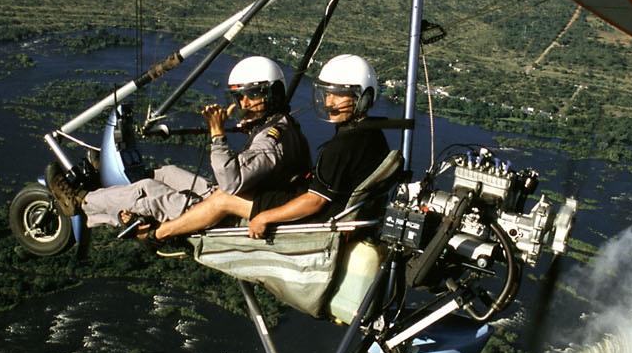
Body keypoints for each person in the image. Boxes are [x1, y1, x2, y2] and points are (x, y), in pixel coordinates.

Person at [45, 56, 309, 232]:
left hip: (229, 217)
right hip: (244, 200)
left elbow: (231, 184)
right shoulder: (279, 126)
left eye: (253, 96)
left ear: (272, 94)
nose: (245, 104)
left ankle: (81, 201)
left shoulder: (272, 138)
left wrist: (217, 135)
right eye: (240, 98)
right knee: (165, 173)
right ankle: (113, 192)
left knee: (148, 191)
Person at [150, 53, 389, 242]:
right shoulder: (371, 135)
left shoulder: (344, 146)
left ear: (364, 98)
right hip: (332, 210)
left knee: (223, 199)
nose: (330, 103)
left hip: (317, 220)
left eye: (340, 96)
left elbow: (314, 202)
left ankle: (160, 234)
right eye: (328, 95)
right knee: (220, 193)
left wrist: (265, 217)